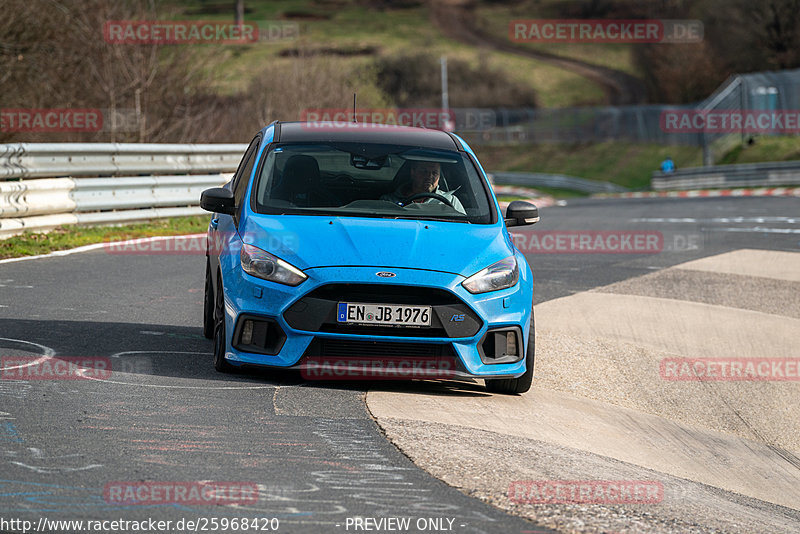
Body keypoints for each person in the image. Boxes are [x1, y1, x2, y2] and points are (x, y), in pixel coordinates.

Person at [381, 161, 465, 214]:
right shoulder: (389, 201)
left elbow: (464, 228)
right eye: (424, 172)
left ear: (439, 176)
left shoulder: (450, 201)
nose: (429, 176)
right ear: (413, 172)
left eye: (434, 173)